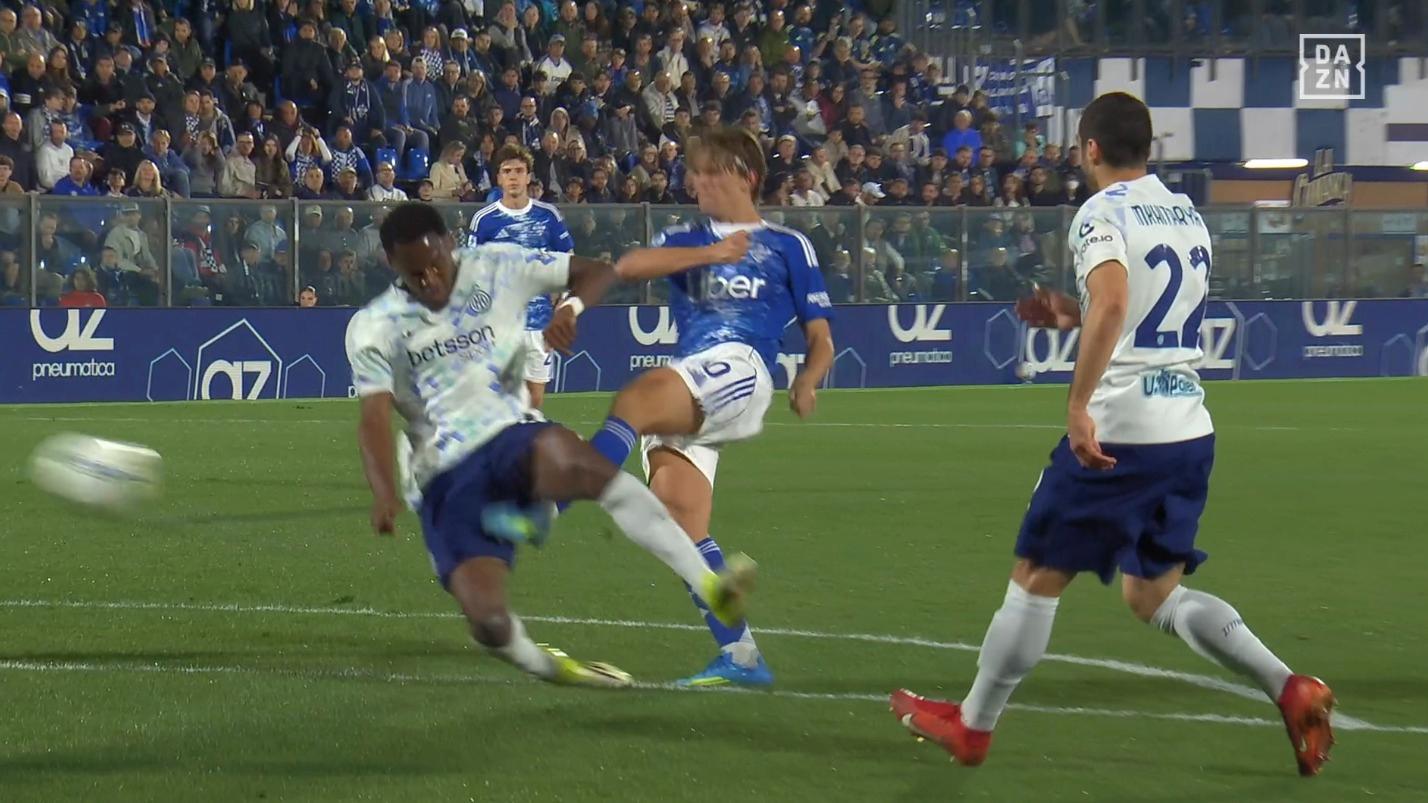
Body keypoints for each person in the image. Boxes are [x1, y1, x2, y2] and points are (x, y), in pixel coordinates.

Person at [889, 92, 1335, 777]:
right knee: (1152, 594)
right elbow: (1145, 304)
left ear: (1090, 148)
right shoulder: (1184, 212)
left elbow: (1120, 300)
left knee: (1037, 575)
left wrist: (1077, 406)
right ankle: (1289, 685)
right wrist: (1077, 312)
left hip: (1123, 432)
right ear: (1146, 148)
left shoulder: (1102, 211)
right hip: (1187, 428)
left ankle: (972, 725)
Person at [346, 202, 756, 689]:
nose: (430, 279)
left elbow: (598, 271)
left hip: (511, 435)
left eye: (436, 264)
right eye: (415, 273)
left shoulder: (497, 265)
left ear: (450, 243)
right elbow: (373, 417)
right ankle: (556, 668)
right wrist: (383, 492)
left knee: (590, 470)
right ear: (391, 263)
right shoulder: (375, 326)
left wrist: (570, 307)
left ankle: (710, 586)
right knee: (489, 624)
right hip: (444, 476)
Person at [516, 128, 835, 687]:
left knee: (636, 399)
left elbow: (821, 337)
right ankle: (742, 656)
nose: (699, 182)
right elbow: (630, 266)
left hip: (740, 368)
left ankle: (549, 508)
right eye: (697, 172)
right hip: (692, 380)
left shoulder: (788, 245)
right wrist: (711, 253)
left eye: (712, 172)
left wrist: (808, 378)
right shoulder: (685, 239)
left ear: (747, 177)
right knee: (679, 523)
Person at [465, 144, 574, 410]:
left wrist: (563, 306)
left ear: (528, 177)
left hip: (540, 323)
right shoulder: (484, 220)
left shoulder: (548, 216)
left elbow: (569, 262)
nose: (513, 176)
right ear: (499, 178)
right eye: (507, 171)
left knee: (534, 402)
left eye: (519, 171)